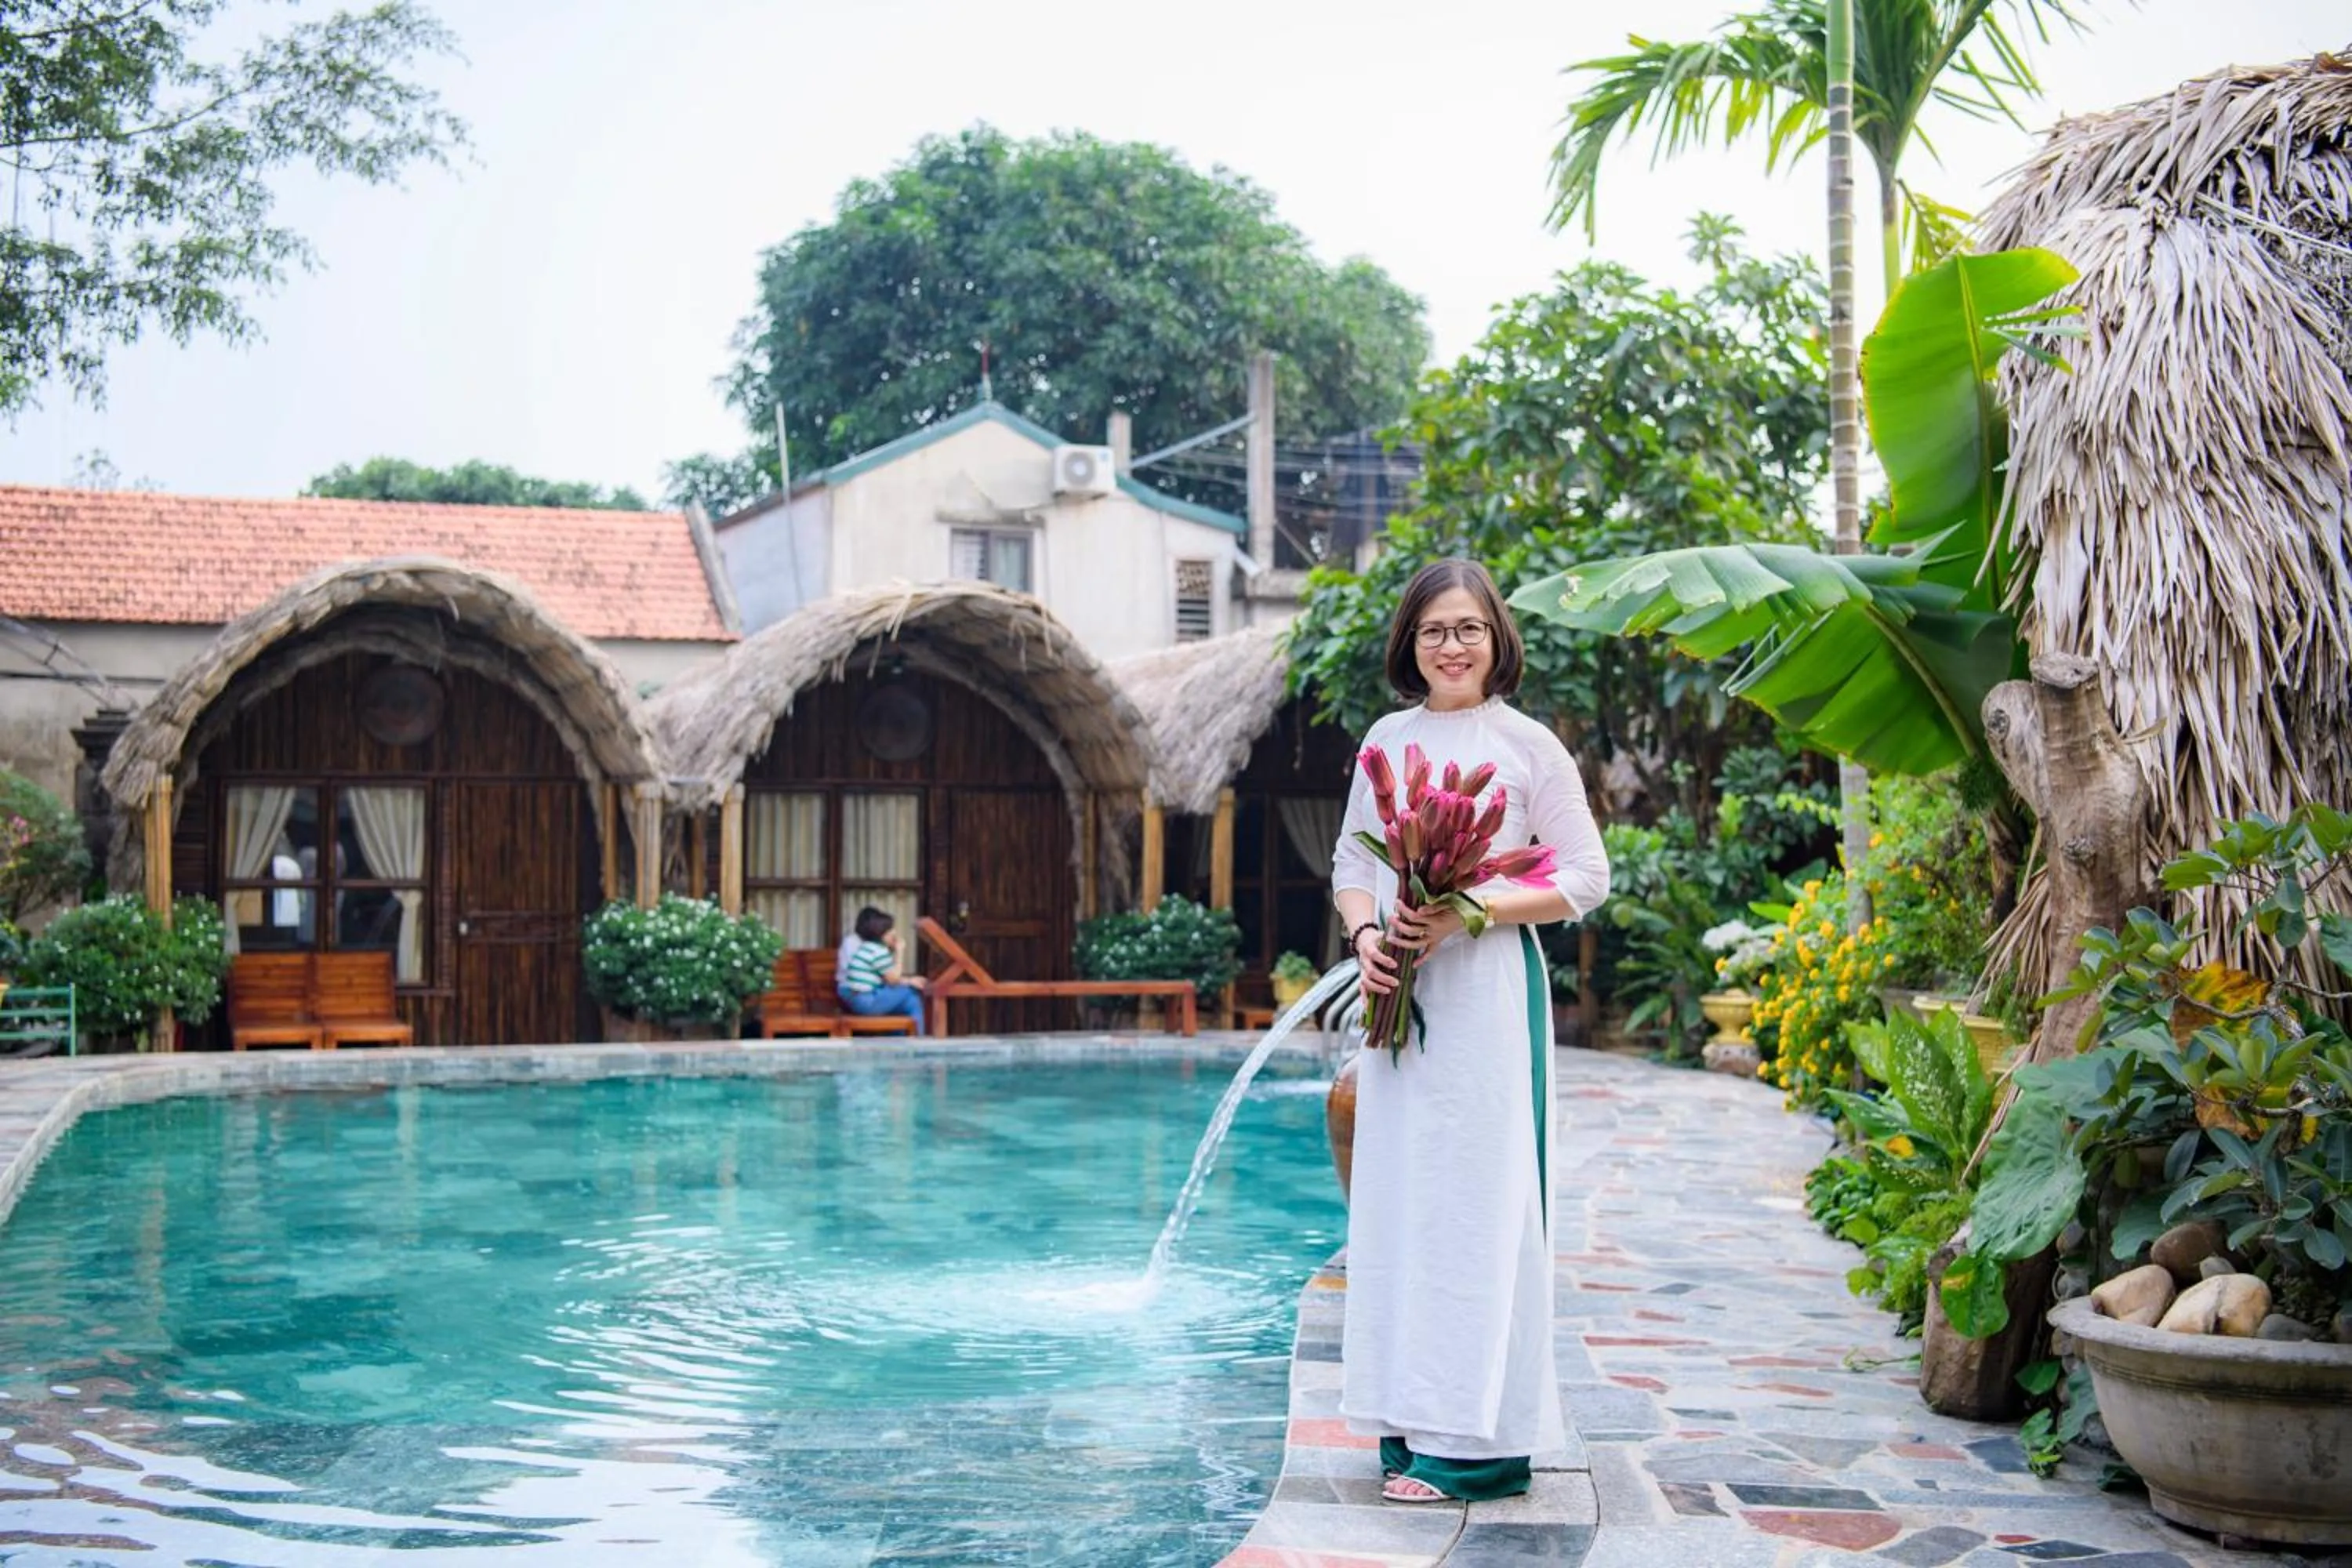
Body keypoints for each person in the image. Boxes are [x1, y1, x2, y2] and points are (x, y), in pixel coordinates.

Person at [1329, 557, 1611, 1504]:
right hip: (1400, 997)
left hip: (1489, 996)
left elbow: (1583, 875)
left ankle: (1480, 1438)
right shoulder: (1387, 736)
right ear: (1410, 642)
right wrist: (1369, 934)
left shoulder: (1530, 744)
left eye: (1469, 628)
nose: (1452, 645)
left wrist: (1472, 909)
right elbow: (1351, 861)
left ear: (1498, 640)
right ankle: (1410, 1415)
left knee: (1478, 1207)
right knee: (1402, 1200)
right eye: (1434, 629)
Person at [836, 906, 927, 1033]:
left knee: (907, 1001)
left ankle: (905, 1040)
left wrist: (908, 979)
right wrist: (900, 951)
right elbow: (893, 980)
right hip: (864, 1000)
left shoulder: (869, 947)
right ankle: (915, 1041)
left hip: (858, 997)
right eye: (890, 931)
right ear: (882, 934)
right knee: (910, 994)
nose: (894, 934)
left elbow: (887, 977)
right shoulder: (878, 951)